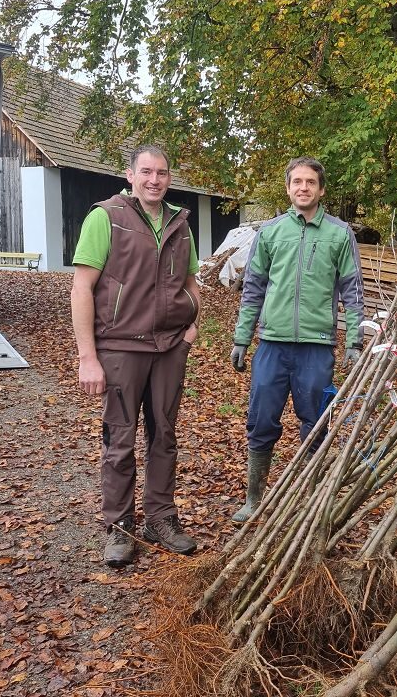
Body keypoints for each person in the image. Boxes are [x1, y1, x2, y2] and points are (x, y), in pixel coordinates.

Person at [71, 144, 200, 567]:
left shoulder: (180, 224)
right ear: (130, 175)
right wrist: (88, 357)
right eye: (146, 172)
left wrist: (192, 325)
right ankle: (120, 526)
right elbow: (82, 288)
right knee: (119, 440)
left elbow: (190, 282)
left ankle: (160, 519)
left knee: (164, 436)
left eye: (161, 173)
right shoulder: (106, 217)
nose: (154, 180)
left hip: (169, 347)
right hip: (121, 346)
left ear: (169, 177)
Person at [230, 156, 365, 522]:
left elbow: (353, 291)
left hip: (316, 348)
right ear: (288, 188)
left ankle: (310, 502)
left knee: (316, 423)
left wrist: (354, 342)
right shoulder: (270, 232)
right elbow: (253, 288)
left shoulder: (340, 234)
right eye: (297, 182)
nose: (303, 187)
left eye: (310, 182)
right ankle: (254, 499)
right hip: (272, 345)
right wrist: (242, 338)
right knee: (261, 421)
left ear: (321, 190)